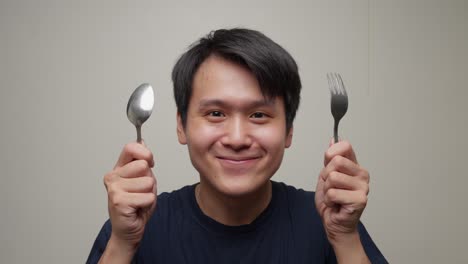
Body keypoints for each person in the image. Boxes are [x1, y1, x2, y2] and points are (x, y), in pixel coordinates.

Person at [87, 28, 387, 264]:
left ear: (289, 131)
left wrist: (345, 237)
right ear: (181, 125)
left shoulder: (328, 220)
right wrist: (123, 244)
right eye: (216, 114)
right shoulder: (135, 225)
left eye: (259, 115)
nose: (237, 138)